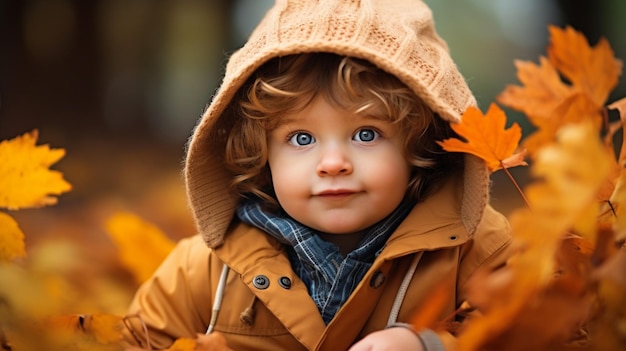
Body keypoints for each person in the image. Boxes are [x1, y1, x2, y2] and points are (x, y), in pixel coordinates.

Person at [123, 0, 512, 350]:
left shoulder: (476, 253)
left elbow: (548, 333)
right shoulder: (203, 272)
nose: (333, 163)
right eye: (301, 138)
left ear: (419, 145)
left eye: (366, 134)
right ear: (261, 153)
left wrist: (431, 345)